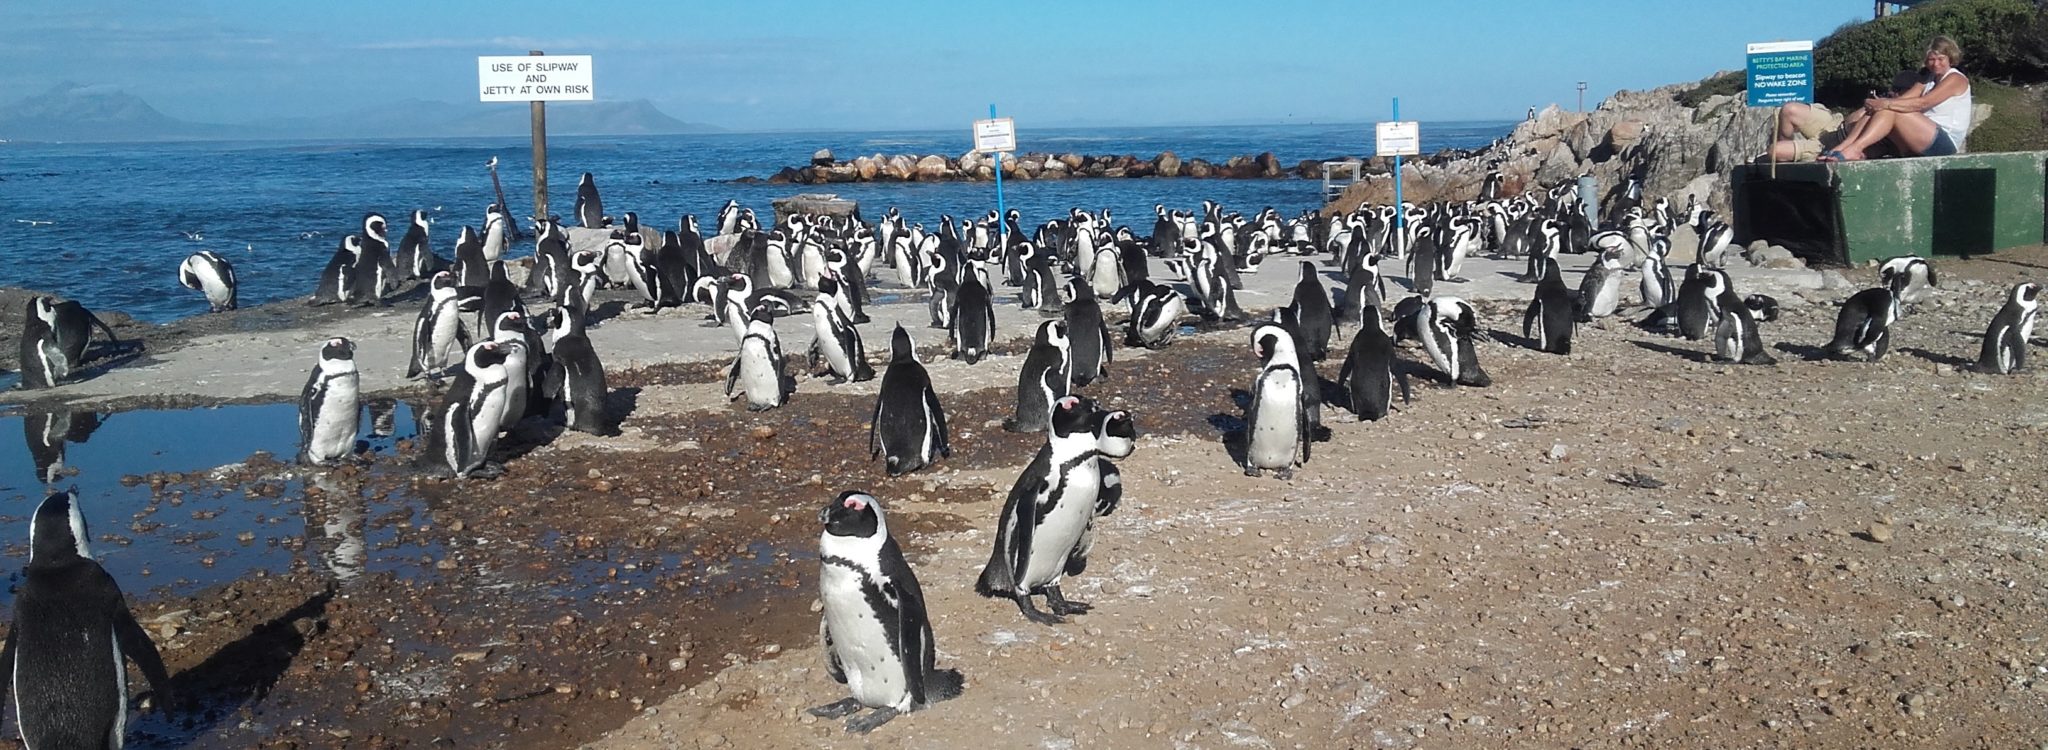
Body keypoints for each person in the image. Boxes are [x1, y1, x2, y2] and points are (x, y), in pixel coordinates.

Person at [1820, 35, 1972, 161]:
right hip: (1922, 137)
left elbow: (1922, 103)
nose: (1936, 64)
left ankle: (1855, 149)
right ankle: (1843, 147)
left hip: (1945, 142)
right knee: (1881, 107)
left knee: (1889, 108)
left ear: (1950, 58)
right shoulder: (1927, 79)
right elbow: (1902, 100)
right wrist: (1876, 104)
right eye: (1932, 59)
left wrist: (1885, 104)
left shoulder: (1956, 79)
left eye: (1940, 59)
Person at [1765, 67, 1929, 162]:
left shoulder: (1901, 118)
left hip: (1829, 146)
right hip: (1834, 124)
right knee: (1789, 109)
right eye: (1893, 89)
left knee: (1775, 151)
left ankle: (1788, 157)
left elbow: (1881, 148)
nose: (1893, 93)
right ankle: (1786, 146)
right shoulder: (1888, 102)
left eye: (1898, 90)